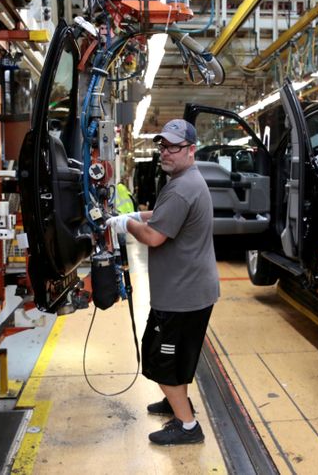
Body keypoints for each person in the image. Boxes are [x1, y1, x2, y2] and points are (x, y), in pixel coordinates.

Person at [106, 119, 219, 446]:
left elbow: (154, 237)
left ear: (191, 150)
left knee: (162, 359)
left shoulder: (184, 187)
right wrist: (133, 216)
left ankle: (187, 426)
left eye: (173, 147)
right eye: (163, 146)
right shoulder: (186, 181)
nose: (165, 153)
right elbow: (161, 215)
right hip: (185, 290)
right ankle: (175, 401)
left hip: (183, 295)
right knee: (174, 355)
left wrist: (126, 224)